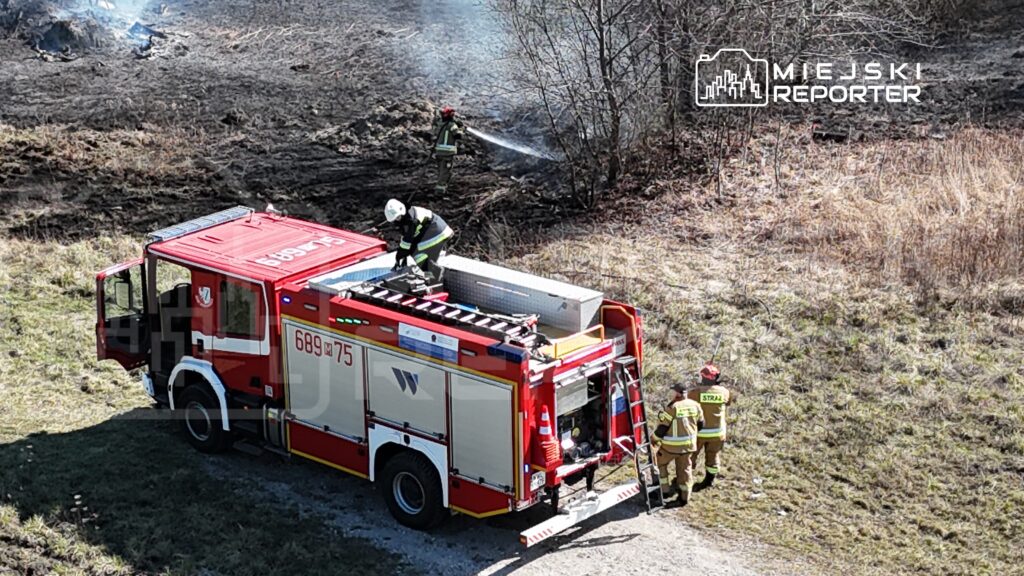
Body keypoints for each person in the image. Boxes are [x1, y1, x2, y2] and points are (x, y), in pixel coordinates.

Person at [652, 382, 704, 505]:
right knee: (685, 470)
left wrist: (653, 439)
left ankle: (664, 491)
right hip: (689, 447)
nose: (671, 394)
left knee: (660, 464)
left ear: (678, 394)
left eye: (673, 392)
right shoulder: (695, 405)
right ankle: (684, 497)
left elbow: (662, 429)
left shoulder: (672, 408)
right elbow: (701, 425)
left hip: (670, 447)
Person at [687, 363, 736, 491]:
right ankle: (709, 481)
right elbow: (728, 402)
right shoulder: (724, 392)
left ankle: (685, 478)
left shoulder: (695, 393)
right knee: (713, 456)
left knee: (690, 456)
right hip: (717, 433)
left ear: (702, 378)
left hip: (699, 433)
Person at [384, 199, 453, 279]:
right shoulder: (408, 214)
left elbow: (407, 240)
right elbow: (408, 237)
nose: (397, 220)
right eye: (395, 219)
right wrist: (403, 255)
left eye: (398, 217)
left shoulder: (411, 220)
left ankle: (435, 273)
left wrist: (400, 255)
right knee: (416, 251)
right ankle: (430, 274)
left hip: (438, 232)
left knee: (417, 252)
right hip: (435, 231)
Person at [433, 106, 464, 194]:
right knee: (446, 172)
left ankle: (440, 187)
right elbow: (458, 136)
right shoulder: (452, 125)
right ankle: (440, 191)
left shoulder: (440, 124)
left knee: (441, 170)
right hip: (447, 153)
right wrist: (461, 128)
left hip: (438, 152)